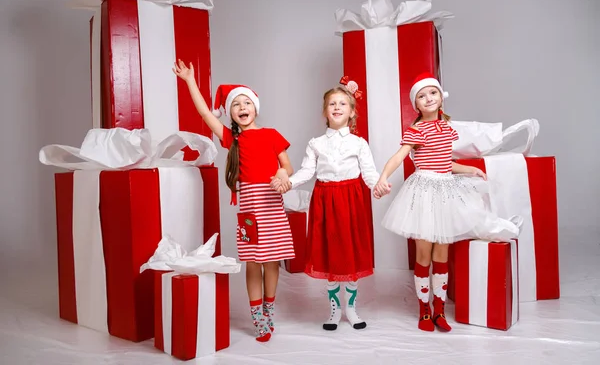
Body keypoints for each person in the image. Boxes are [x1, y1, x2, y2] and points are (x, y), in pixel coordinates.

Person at [373, 72, 522, 332]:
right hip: (423, 193)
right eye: (421, 95)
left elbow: (445, 163)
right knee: (424, 252)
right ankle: (424, 311)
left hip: (445, 193)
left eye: (433, 93)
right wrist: (383, 177)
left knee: (442, 251)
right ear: (416, 105)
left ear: (441, 98)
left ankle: (439, 309)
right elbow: (398, 157)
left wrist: (469, 169)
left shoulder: (447, 129)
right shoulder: (417, 130)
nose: (428, 98)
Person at [173, 60, 295, 342]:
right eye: (236, 104)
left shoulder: (272, 134)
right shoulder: (231, 139)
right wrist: (190, 81)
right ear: (230, 113)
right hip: (251, 209)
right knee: (253, 262)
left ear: (255, 107)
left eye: (246, 103)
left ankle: (269, 308)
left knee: (273, 262)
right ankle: (257, 318)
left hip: (273, 206)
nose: (242, 108)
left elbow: (287, 166)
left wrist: (280, 171)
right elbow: (204, 113)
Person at [272, 76, 379, 331]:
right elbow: (307, 171)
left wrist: (379, 185)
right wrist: (288, 182)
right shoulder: (316, 144)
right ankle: (334, 310)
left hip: (352, 200)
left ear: (352, 112)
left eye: (343, 103)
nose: (337, 107)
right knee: (330, 254)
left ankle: (351, 309)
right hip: (325, 200)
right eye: (332, 103)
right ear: (325, 111)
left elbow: (370, 173)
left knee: (350, 254)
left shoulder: (359, 143)